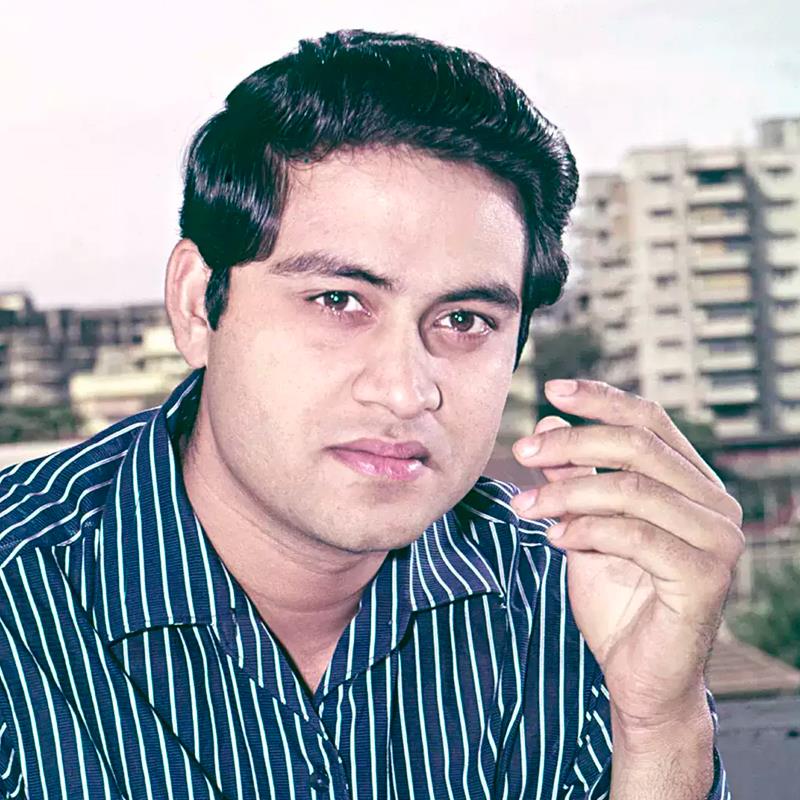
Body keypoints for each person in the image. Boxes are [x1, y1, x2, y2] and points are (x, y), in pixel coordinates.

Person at [0, 29, 742, 800]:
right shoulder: (19, 601)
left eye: (463, 321)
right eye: (338, 300)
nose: (404, 390)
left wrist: (661, 723)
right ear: (197, 305)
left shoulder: (575, 602)